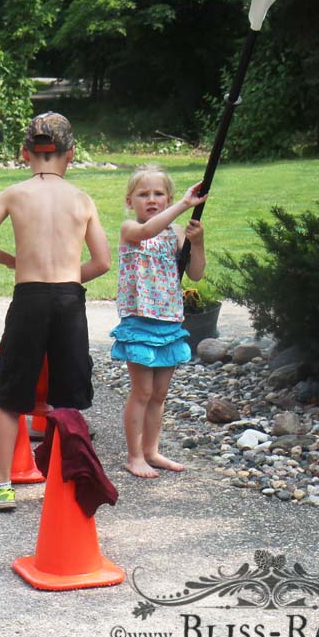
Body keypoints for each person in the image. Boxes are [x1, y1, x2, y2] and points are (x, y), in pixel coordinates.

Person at [0, 112, 111, 510]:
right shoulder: (82, 199)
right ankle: (63, 483)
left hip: (28, 298)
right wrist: (65, 277)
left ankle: (2, 484)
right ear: (71, 154)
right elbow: (102, 262)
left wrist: (13, 261)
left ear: (24, 153)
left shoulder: (14, 193)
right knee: (67, 396)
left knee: (12, 393)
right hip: (68, 299)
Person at [111, 164, 207, 478]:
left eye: (159, 194)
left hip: (169, 322)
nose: (151, 200)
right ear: (130, 201)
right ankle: (134, 455)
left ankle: (152, 451)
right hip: (140, 321)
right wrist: (184, 205)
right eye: (143, 194)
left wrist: (198, 243)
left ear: (167, 198)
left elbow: (195, 273)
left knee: (160, 394)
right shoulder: (130, 229)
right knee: (142, 391)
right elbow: (149, 230)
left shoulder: (177, 233)